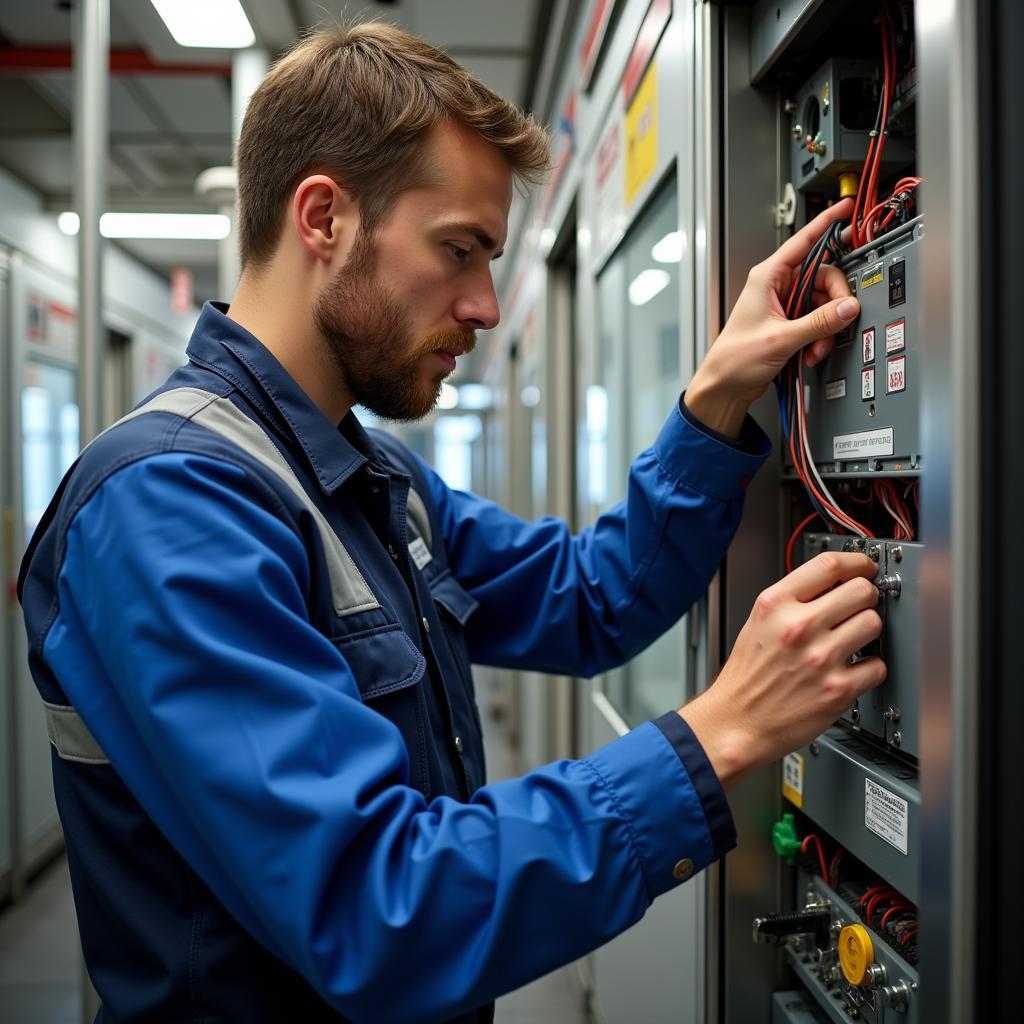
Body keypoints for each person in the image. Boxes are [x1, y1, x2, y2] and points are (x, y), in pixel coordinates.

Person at [19, 21, 883, 1024]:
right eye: (459, 249)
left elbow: (594, 598)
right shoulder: (167, 504)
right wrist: (719, 731)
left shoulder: (367, 476)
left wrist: (715, 401)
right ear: (323, 217)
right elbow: (376, 905)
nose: (483, 304)